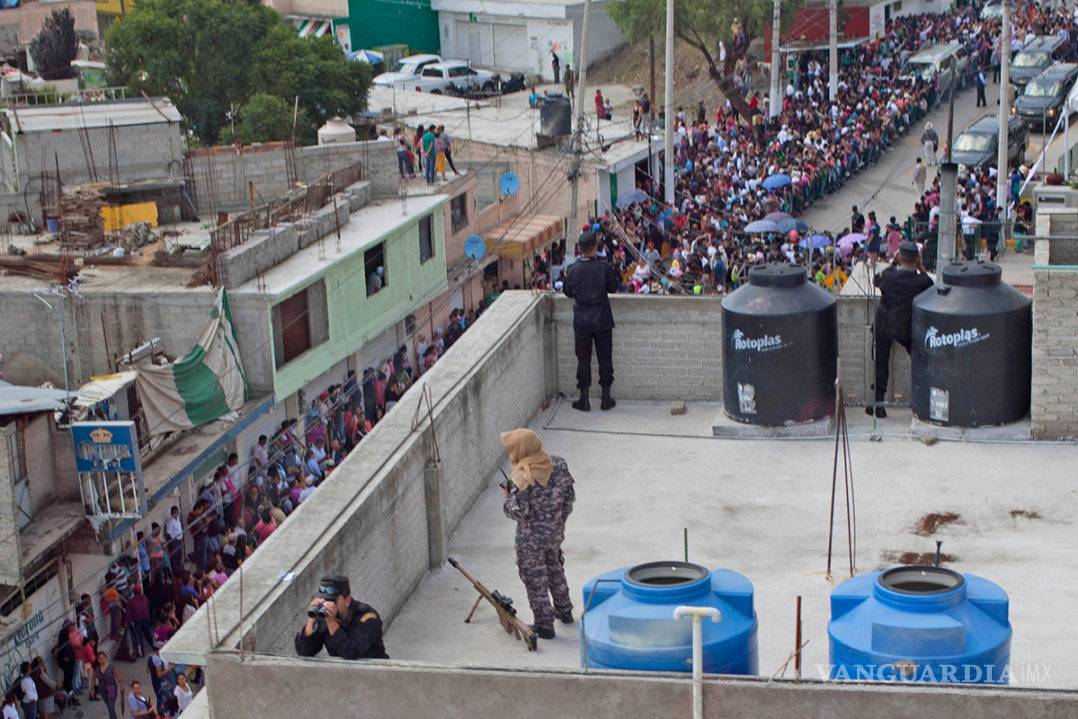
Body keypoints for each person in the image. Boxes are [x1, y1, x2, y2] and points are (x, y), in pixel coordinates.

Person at [500, 429, 575, 641]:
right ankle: (564, 611)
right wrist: (558, 523)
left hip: (530, 539)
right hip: (555, 532)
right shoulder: (559, 465)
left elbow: (517, 511)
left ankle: (544, 625)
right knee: (555, 569)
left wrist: (507, 497)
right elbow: (569, 499)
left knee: (535, 579)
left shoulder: (523, 477)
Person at [868, 241, 933, 418]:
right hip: (906, 328)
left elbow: (876, 280)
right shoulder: (921, 281)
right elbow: (932, 287)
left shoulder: (888, 277)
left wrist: (892, 264)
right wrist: (921, 267)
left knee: (881, 362)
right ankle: (920, 400)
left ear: (898, 257)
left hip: (884, 325)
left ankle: (878, 404)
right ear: (917, 258)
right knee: (920, 360)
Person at [562, 229, 619, 411]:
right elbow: (613, 288)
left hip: (582, 321)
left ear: (580, 248)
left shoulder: (572, 270)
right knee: (605, 358)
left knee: (583, 359)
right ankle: (606, 398)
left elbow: (567, 292)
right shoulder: (604, 268)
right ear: (595, 247)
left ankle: (584, 399)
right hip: (602, 319)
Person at [295, 574, 389, 659]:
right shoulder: (323, 615)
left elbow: (351, 653)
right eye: (324, 600)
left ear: (347, 600)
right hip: (342, 672)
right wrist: (312, 618)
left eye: (332, 601)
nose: (328, 606)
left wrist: (331, 622)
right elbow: (304, 652)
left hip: (374, 671)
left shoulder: (367, 617)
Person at [90, 652, 124, 719]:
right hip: (102, 690)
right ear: (97, 659)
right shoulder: (97, 669)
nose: (101, 660)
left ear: (106, 658)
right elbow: (93, 678)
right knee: (109, 707)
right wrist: (92, 689)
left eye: (103, 658)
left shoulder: (111, 667)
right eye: (99, 659)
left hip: (112, 689)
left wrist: (121, 686)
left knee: (110, 707)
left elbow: (118, 676)